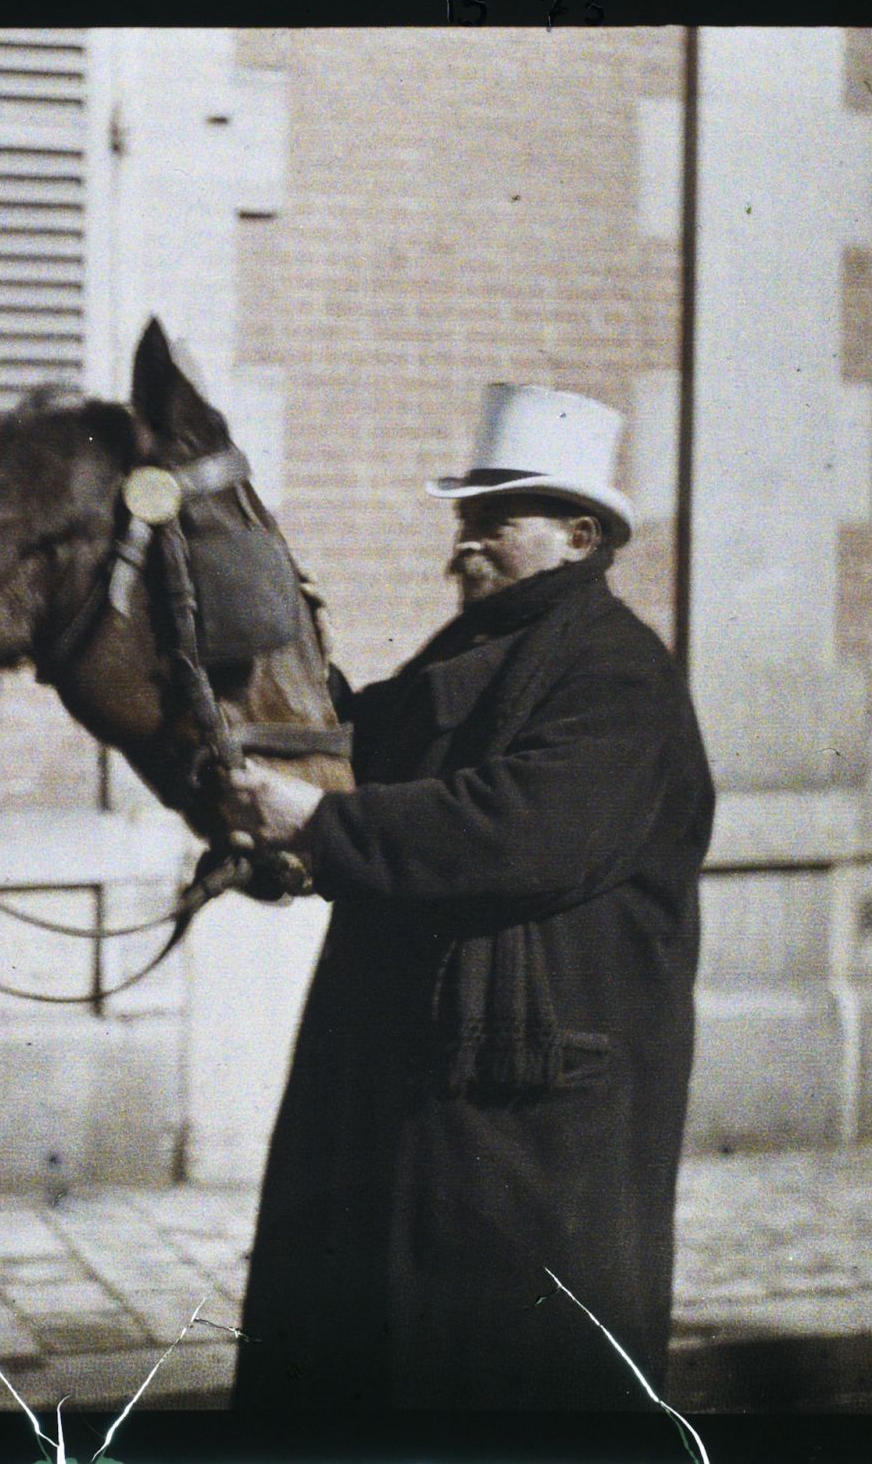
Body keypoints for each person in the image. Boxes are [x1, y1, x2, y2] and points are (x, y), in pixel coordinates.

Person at [228, 383, 715, 1411]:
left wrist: (317, 825)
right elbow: (371, 753)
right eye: (463, 521)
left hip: (529, 1118)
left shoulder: (620, 676)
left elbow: (519, 831)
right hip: (430, 1085)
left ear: (577, 535)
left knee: (503, 1379)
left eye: (493, 521)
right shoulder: (478, 649)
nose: (462, 548)